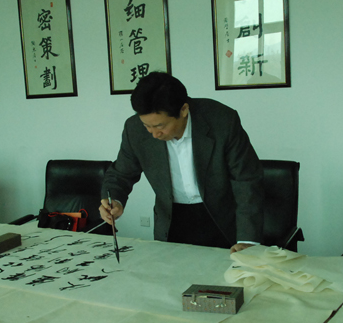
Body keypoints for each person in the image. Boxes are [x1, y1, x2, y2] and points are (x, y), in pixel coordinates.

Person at [99, 72, 264, 253]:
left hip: (221, 218)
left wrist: (247, 239)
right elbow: (121, 173)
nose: (154, 134)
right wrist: (114, 200)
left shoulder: (222, 120)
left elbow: (246, 179)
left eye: (160, 126)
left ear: (183, 110)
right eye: (147, 126)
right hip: (171, 219)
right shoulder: (134, 129)